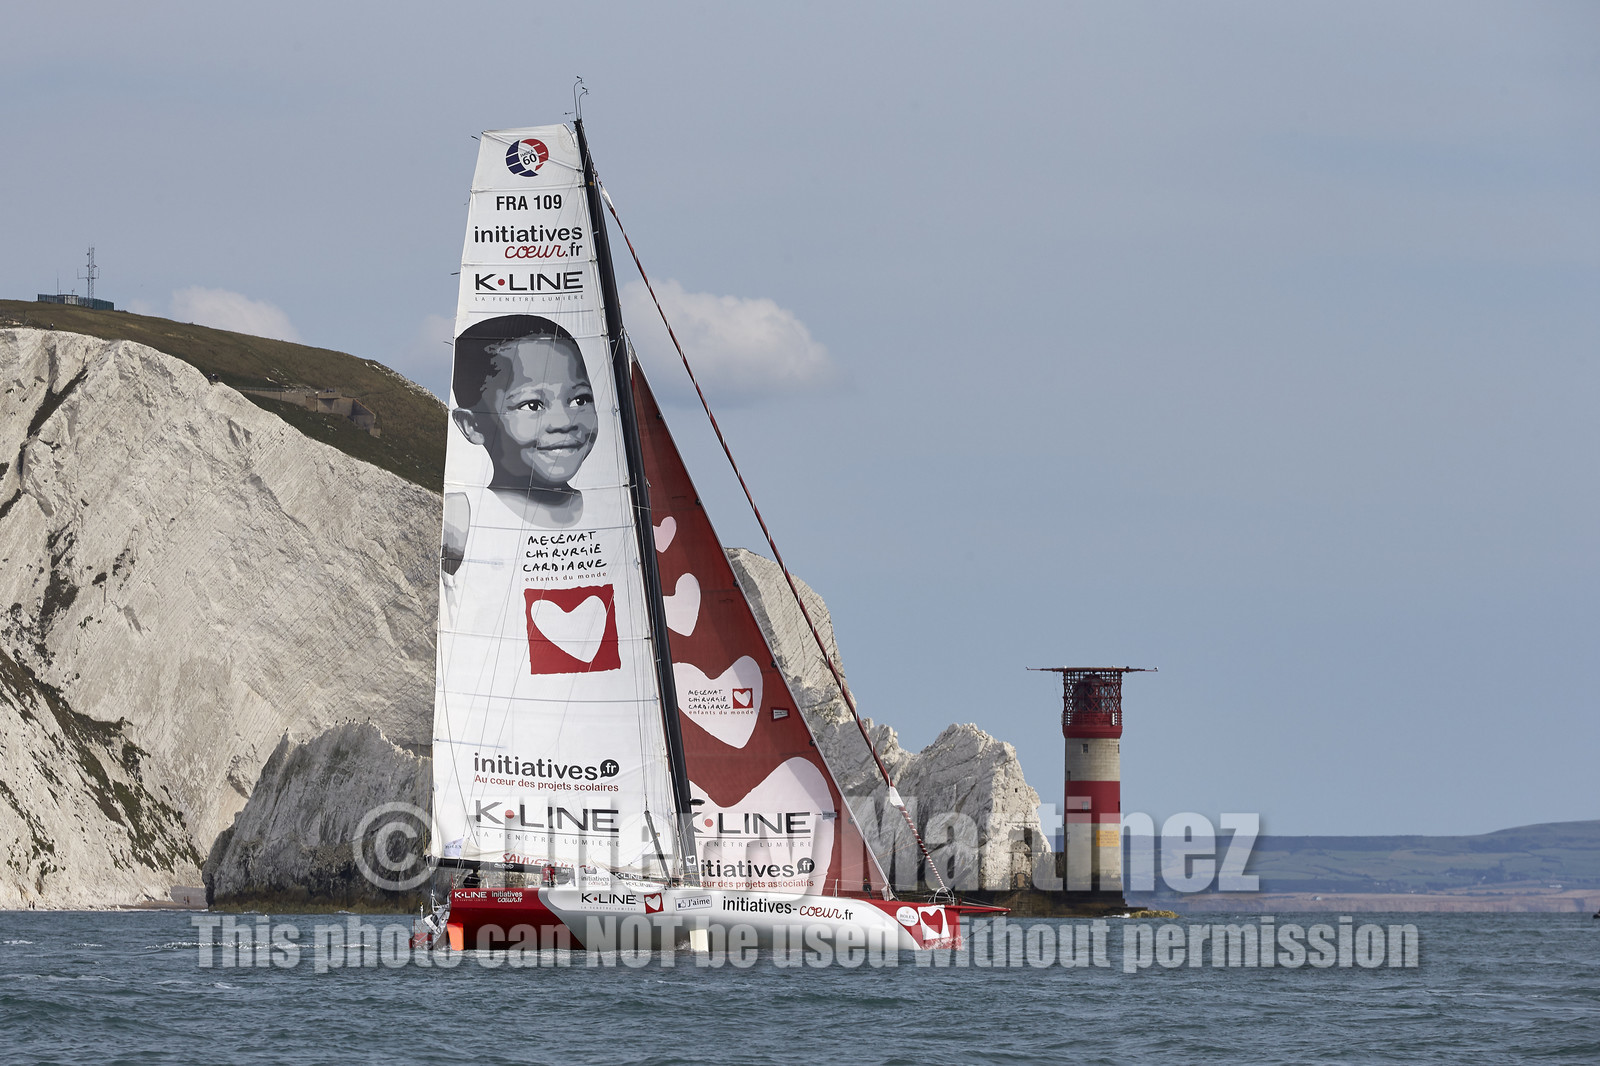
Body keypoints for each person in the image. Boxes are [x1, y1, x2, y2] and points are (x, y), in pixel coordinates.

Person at [450, 315, 599, 530]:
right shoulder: (462, 520)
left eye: (579, 400)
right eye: (533, 406)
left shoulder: (619, 503)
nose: (565, 422)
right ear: (471, 425)